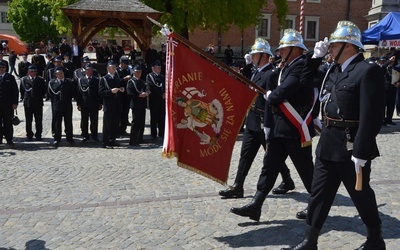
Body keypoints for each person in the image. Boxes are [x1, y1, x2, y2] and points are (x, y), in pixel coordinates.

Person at [282, 21, 386, 250]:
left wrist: (361, 150)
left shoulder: (367, 71)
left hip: (350, 147)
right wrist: (315, 59)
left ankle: (375, 239)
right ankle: (309, 242)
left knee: (361, 194)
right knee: (319, 194)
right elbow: (305, 81)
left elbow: (372, 116)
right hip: (328, 144)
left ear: (348, 46)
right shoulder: (333, 69)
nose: (329, 48)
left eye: (333, 44)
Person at [230, 29, 322, 222]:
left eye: (283, 49)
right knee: (269, 167)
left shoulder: (301, 66)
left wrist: (273, 95)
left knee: (306, 171)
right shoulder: (287, 67)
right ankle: (256, 205)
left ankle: (318, 205)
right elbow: (274, 81)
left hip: (295, 130)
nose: (279, 52)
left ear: (295, 50)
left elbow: (285, 89)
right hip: (280, 128)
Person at [219, 38, 295, 200]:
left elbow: (271, 100)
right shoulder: (257, 72)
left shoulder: (271, 74)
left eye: (254, 55)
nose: (252, 57)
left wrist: (267, 123)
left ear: (263, 56)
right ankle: (238, 186)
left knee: (272, 156)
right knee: (245, 155)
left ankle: (287, 180)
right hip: (252, 119)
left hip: (263, 120)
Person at [99, 60, 124, 148]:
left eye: (115, 68)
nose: (114, 69)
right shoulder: (104, 79)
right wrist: (110, 91)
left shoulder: (116, 78)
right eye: (112, 68)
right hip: (108, 105)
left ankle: (112, 140)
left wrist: (121, 90)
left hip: (116, 104)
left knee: (115, 124)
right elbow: (101, 92)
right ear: (108, 69)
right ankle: (105, 142)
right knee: (107, 125)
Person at [48, 67, 76, 147]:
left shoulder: (69, 82)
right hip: (57, 105)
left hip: (67, 105)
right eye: (58, 74)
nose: (60, 75)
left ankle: (69, 138)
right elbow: (50, 93)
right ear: (56, 75)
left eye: (61, 73)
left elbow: (72, 93)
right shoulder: (52, 82)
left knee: (68, 122)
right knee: (57, 122)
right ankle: (57, 138)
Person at [19, 65, 47, 141]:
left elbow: (44, 90)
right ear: (28, 72)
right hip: (28, 103)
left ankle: (38, 134)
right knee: (28, 120)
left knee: (38, 120)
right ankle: (29, 134)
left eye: (35, 71)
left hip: (38, 102)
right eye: (31, 71)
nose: (33, 73)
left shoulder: (40, 80)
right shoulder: (24, 80)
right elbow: (22, 90)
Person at [76, 63, 102, 142]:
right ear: (85, 71)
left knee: (94, 120)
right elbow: (79, 93)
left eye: (91, 70)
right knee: (84, 120)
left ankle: (94, 135)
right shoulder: (81, 80)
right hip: (84, 103)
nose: (89, 72)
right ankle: (85, 135)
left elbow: (99, 92)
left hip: (94, 103)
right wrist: (78, 104)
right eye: (88, 70)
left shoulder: (96, 80)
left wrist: (100, 103)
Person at [126, 64, 149, 146]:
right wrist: (139, 95)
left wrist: (146, 93)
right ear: (134, 73)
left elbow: (146, 89)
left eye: (140, 72)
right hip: (135, 104)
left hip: (142, 104)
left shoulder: (142, 82)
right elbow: (129, 93)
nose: (139, 73)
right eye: (137, 72)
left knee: (141, 122)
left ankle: (140, 138)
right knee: (135, 122)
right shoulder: (131, 81)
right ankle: (133, 140)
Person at [0, 61, 19, 146]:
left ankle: (9, 139)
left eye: (3, 68)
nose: (1, 69)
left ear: (5, 68)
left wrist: (15, 103)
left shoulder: (10, 77)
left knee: (8, 123)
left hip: (8, 105)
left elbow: (15, 91)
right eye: (0, 68)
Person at [146, 60, 165, 140]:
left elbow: (164, 86)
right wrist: (161, 93)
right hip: (154, 99)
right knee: (154, 118)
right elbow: (151, 87)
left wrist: (164, 93)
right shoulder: (150, 76)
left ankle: (161, 133)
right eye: (157, 68)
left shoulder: (162, 77)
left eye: (160, 68)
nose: (159, 69)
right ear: (153, 68)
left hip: (162, 100)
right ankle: (153, 134)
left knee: (162, 117)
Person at [377, 55, 397, 126]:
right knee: (383, 105)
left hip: (393, 88)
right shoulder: (381, 67)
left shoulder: (393, 67)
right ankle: (382, 120)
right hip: (384, 89)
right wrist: (389, 61)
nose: (383, 62)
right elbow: (383, 67)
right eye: (382, 61)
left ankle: (389, 119)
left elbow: (396, 75)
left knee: (391, 105)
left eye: (384, 60)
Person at [116, 56, 132, 135]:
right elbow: (116, 82)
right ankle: (118, 129)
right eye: (124, 64)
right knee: (119, 112)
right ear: (121, 63)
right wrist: (124, 79)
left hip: (126, 94)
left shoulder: (128, 70)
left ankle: (123, 129)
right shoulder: (116, 70)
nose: (126, 66)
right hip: (119, 94)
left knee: (126, 112)